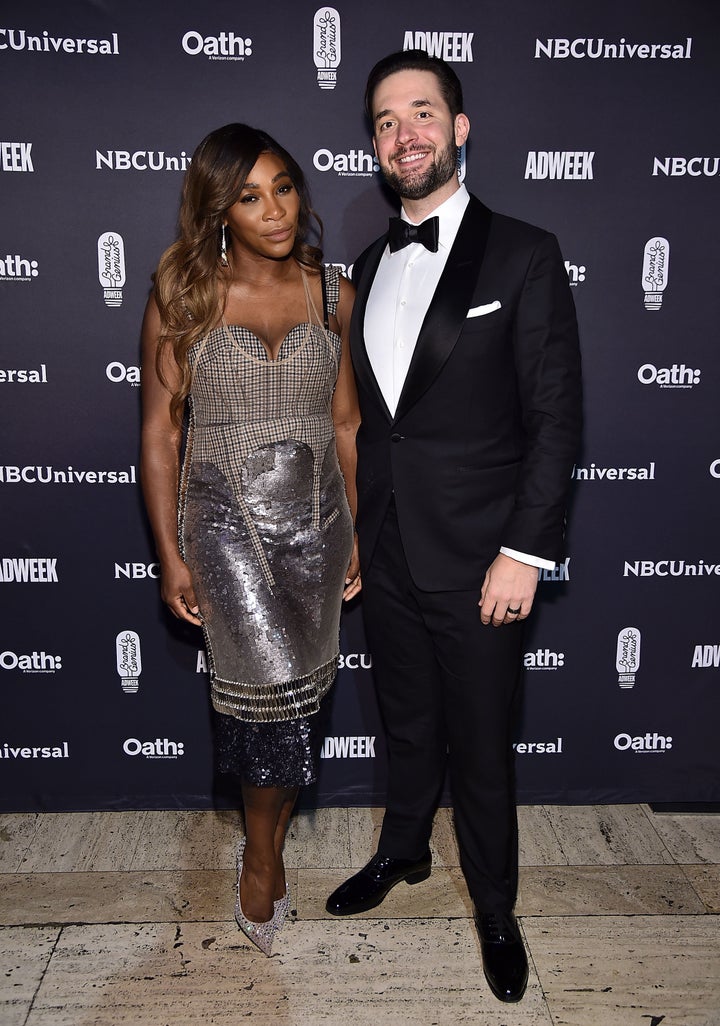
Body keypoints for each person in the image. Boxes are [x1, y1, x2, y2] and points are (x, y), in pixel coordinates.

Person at [325, 51, 582, 1003]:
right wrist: (358, 532)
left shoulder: (523, 252)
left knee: (480, 744)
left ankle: (497, 910)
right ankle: (403, 853)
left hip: (484, 561)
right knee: (406, 723)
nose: (407, 134)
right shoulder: (364, 265)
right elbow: (368, 424)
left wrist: (524, 551)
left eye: (423, 112)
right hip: (386, 549)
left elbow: (555, 417)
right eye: (387, 121)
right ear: (376, 145)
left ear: (460, 128)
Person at [140, 123, 361, 957]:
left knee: (300, 702)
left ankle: (262, 841)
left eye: (284, 188)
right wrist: (171, 552)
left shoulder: (332, 293)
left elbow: (346, 423)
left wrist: (360, 535)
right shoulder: (182, 291)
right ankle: (263, 859)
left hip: (315, 525)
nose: (273, 211)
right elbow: (161, 433)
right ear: (218, 208)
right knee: (260, 708)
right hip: (225, 528)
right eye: (249, 195)